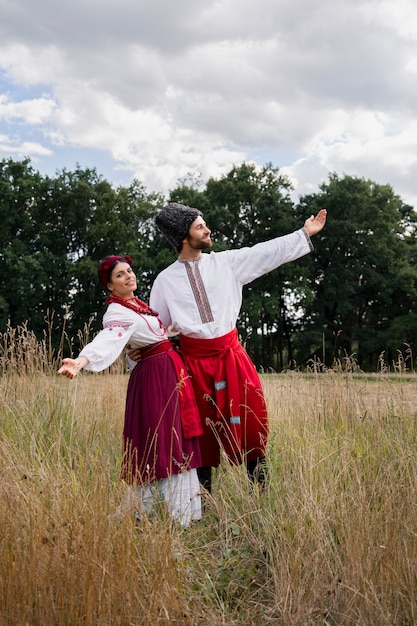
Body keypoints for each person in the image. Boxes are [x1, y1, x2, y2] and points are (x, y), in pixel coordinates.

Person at [144, 203, 327, 493]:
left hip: (232, 357)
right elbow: (156, 327)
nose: (208, 230)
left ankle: (261, 494)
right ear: (183, 236)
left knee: (252, 422)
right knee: (200, 432)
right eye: (200, 227)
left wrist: (304, 233)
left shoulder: (227, 263)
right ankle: (203, 503)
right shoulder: (165, 281)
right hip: (192, 365)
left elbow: (266, 252)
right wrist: (140, 349)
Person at [58, 255, 203, 527]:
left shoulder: (137, 306)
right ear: (110, 286)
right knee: (162, 438)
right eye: (120, 275)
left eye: (129, 271)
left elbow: (157, 334)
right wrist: (81, 361)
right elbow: (109, 337)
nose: (129, 276)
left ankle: (179, 511)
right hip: (154, 378)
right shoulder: (117, 313)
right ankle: (160, 513)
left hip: (168, 371)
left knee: (175, 436)